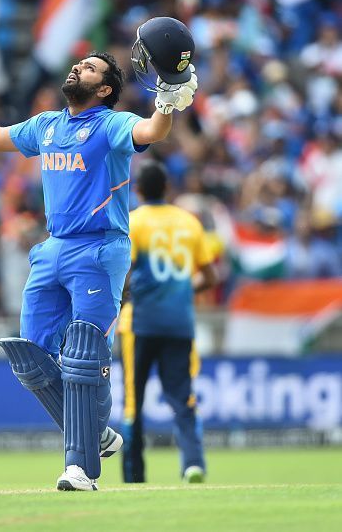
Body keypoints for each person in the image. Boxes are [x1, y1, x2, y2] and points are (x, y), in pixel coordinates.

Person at [0, 17, 199, 491]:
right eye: (81, 63)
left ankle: (80, 467)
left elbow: (153, 131)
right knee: (30, 356)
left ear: (105, 90)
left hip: (100, 248)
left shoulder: (110, 124)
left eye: (92, 68)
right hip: (53, 248)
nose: (80, 67)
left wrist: (168, 98)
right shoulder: (46, 126)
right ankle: (93, 434)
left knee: (82, 354)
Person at [118, 160, 217, 484]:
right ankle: (193, 463)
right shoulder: (189, 222)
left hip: (140, 323)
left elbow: (122, 274)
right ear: (168, 189)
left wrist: (124, 296)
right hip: (179, 322)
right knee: (183, 396)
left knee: (135, 401)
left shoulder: (133, 222)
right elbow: (210, 276)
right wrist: (183, 289)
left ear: (140, 190)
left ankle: (134, 476)